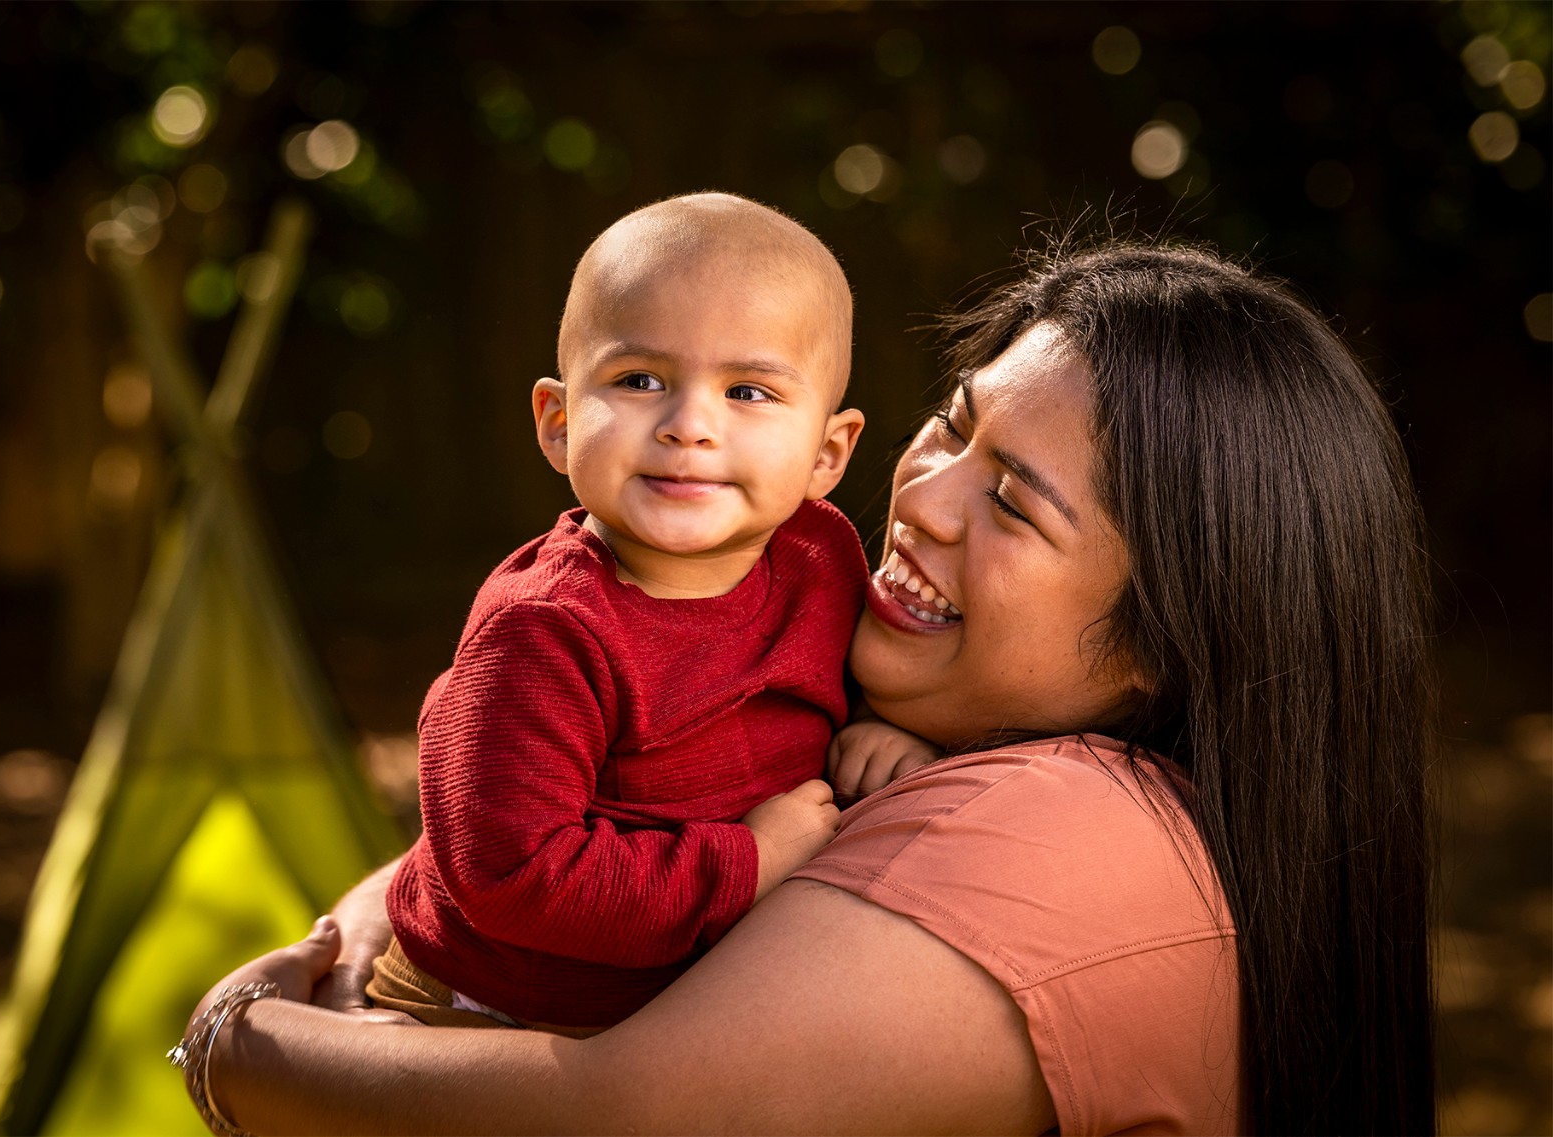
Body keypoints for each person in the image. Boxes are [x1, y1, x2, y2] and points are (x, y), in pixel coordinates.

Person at [174, 242, 1435, 1135]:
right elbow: (488, 831)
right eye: (952, 424)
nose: (919, 497)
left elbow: (622, 1118)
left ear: (1169, 641)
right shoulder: (812, 649)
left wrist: (241, 1045)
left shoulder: (1068, 836)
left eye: (1010, 502)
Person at [371, 192, 937, 1035]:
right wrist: (751, 861)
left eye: (748, 390)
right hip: (494, 1008)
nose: (689, 425)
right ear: (559, 423)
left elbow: (829, 675)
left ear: (826, 453)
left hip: (678, 1005)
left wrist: (878, 723)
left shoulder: (819, 556)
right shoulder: (545, 631)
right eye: (640, 381)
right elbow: (513, 876)